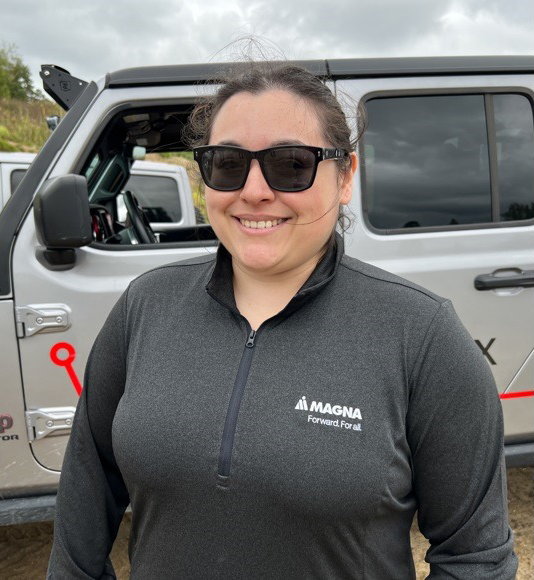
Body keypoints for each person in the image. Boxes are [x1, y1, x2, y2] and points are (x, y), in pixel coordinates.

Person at [47, 62, 517, 579]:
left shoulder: (421, 334)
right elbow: (85, 502)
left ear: (346, 177)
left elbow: (476, 557)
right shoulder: (145, 307)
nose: (253, 191)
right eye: (226, 163)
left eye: (291, 164)